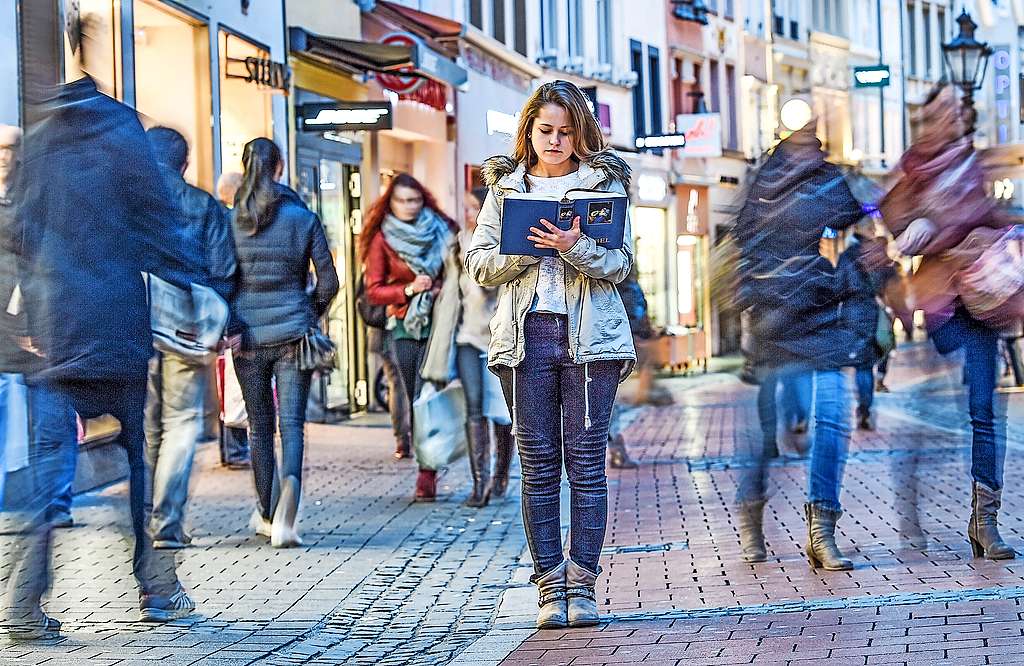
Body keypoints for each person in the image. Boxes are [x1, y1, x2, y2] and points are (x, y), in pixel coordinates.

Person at [9, 74, 203, 637]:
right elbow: (158, 224)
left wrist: (33, 295)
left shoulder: (41, 141)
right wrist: (197, 285)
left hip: (56, 329)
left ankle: (24, 604)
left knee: (50, 467)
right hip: (116, 323)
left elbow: (19, 228)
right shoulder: (123, 131)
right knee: (137, 459)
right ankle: (157, 587)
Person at [466, 80, 636, 629]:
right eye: (546, 131)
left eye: (566, 131)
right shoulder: (506, 189)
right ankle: (547, 588)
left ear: (580, 133)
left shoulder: (604, 187)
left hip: (593, 343)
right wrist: (526, 249)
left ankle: (582, 584)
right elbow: (479, 264)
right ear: (530, 132)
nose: (555, 141)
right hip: (525, 339)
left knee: (585, 466)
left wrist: (574, 246)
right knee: (538, 467)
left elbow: (621, 266)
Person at [879, 85, 1015, 560]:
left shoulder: (974, 164)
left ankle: (985, 520)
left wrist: (996, 233)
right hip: (939, 306)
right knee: (945, 405)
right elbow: (894, 218)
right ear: (928, 117)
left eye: (958, 111)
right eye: (944, 109)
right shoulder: (914, 170)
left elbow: (989, 215)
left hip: (982, 302)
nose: (953, 117)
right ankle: (915, 481)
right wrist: (927, 229)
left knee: (983, 410)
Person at [733, 121, 864, 570]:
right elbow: (742, 243)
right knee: (763, 435)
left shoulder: (828, 181)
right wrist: (754, 291)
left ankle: (821, 529)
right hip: (773, 319)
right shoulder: (763, 183)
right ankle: (751, 515)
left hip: (819, 313)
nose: (809, 154)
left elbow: (856, 215)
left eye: (815, 146)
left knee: (833, 414)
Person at [229, 138, 337, 548]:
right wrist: (308, 312)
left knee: (260, 427)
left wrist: (232, 321)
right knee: (292, 426)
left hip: (248, 338)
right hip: (294, 333)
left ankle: (268, 511)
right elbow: (329, 283)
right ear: (280, 168)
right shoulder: (303, 218)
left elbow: (221, 279)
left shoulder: (230, 221)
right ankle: (288, 515)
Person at [143, 127, 237, 549]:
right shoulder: (204, 205)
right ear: (184, 163)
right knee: (181, 425)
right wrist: (219, 323)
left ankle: (144, 514)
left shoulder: (127, 204)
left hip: (136, 327)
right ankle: (167, 521)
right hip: (186, 328)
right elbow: (223, 271)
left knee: (146, 426)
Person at [361, 174, 457, 501]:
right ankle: (425, 470)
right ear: (391, 202)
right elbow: (373, 291)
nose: (408, 207)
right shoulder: (382, 239)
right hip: (406, 326)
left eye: (414, 200)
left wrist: (445, 287)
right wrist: (408, 288)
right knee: (418, 395)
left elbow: (458, 269)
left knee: (441, 392)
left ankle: (450, 456)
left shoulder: (442, 229)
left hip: (443, 323)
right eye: (401, 200)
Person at [455, 187, 515, 506]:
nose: (467, 214)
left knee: (502, 412)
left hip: (501, 339)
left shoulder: (507, 245)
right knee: (474, 407)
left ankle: (501, 474)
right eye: (465, 208)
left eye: (474, 208)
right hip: (468, 336)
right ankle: (479, 484)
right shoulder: (458, 244)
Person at [838, 228, 896, 432]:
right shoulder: (872, 253)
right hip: (872, 312)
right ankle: (866, 407)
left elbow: (839, 286)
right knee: (866, 366)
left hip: (852, 314)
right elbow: (884, 281)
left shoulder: (846, 258)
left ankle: (862, 406)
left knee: (859, 364)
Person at [214, 171, 250, 469]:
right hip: (234, 315)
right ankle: (236, 450)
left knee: (230, 387)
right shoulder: (233, 224)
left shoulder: (217, 221)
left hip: (223, 315)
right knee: (234, 387)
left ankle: (233, 450)